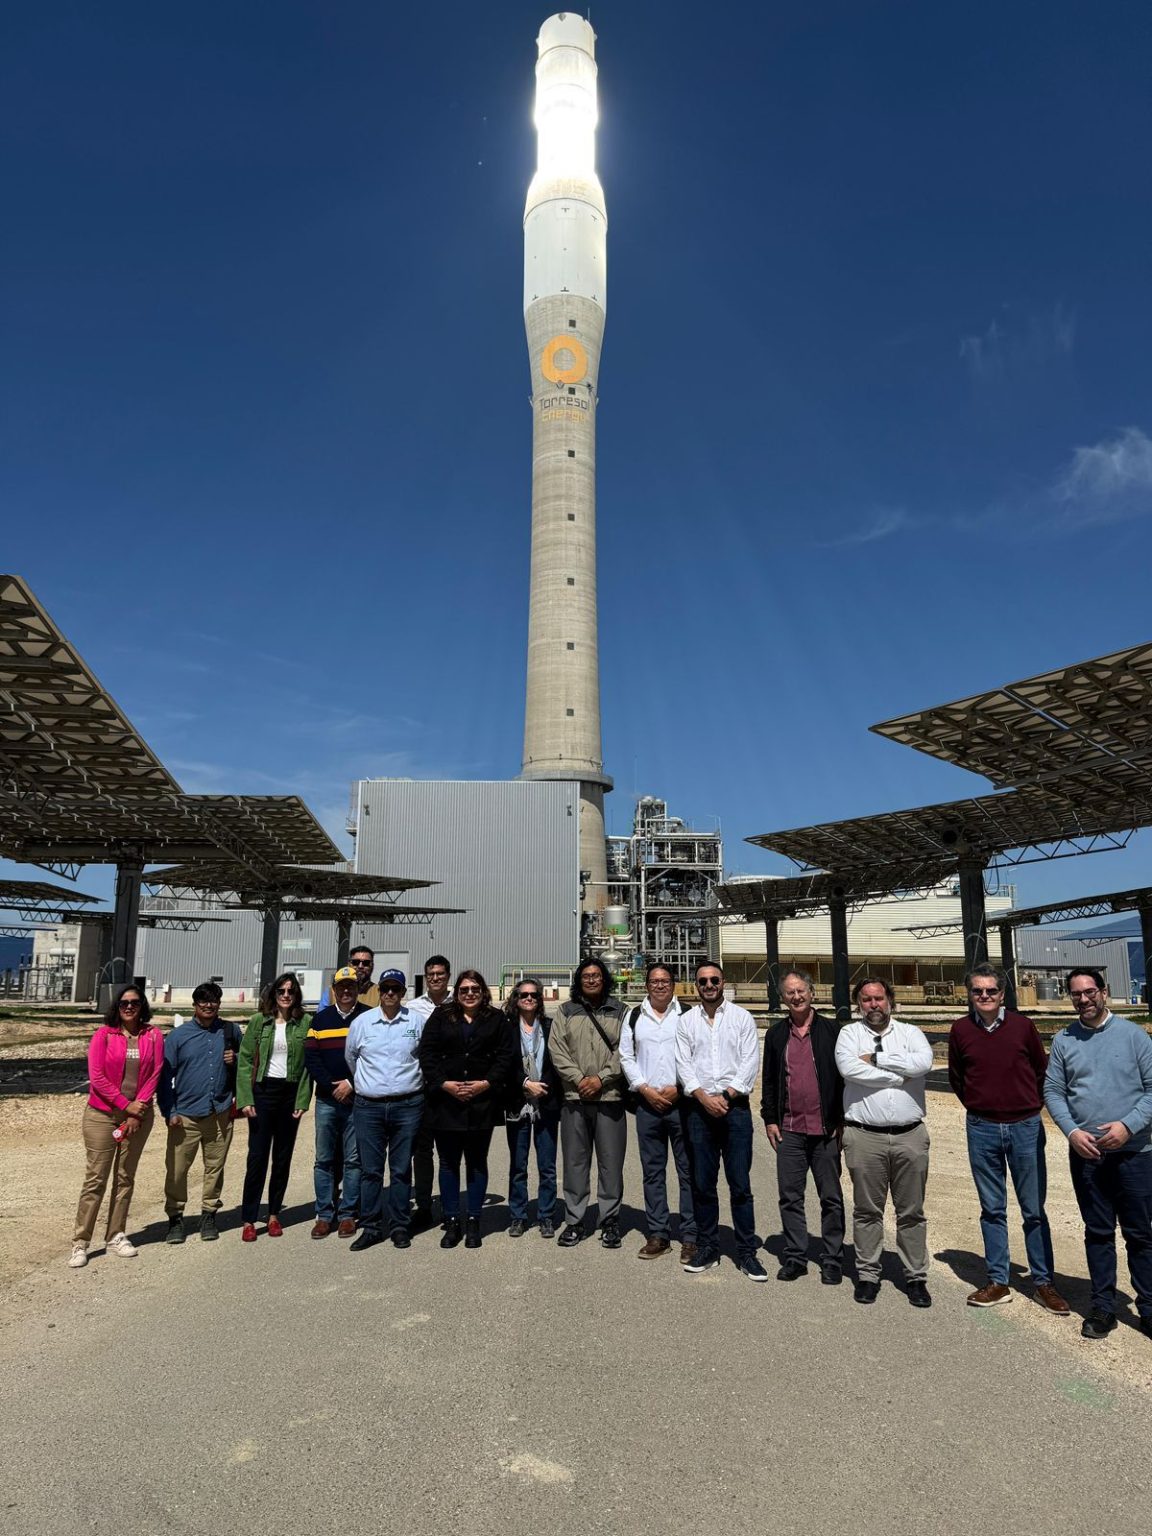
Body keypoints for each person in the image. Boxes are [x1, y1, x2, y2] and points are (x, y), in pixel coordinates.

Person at [948, 963, 1068, 1314]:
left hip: (1025, 1126)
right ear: (969, 994)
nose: (984, 996)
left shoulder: (1022, 1027)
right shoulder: (960, 1030)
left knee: (1033, 1209)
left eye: (991, 990)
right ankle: (998, 1281)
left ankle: (1043, 1283)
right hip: (982, 1127)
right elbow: (957, 1077)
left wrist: (1029, 1106)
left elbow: (1041, 1071)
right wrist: (980, 1104)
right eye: (977, 991)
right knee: (992, 1209)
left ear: (1002, 994)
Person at [1044, 969, 1152, 1340]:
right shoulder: (1064, 1040)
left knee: (1140, 1234)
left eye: (1090, 991)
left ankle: (1148, 1307)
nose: (1084, 999)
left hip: (1135, 1153)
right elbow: (1053, 1091)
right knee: (1098, 1232)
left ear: (1104, 992)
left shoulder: (1134, 1036)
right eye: (1076, 994)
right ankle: (1103, 1307)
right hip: (1088, 1155)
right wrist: (1072, 1132)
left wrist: (1128, 1126)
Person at [835, 977, 934, 1307]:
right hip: (865, 1136)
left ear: (890, 1000)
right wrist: (898, 1075)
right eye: (866, 999)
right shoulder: (849, 1035)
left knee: (912, 1212)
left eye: (879, 998)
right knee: (867, 1211)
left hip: (910, 1135)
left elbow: (923, 1064)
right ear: (858, 1004)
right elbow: (849, 1069)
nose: (873, 1004)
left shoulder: (911, 1033)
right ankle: (867, 1275)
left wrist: (876, 1059)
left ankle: (915, 1277)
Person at [676, 961, 765, 1279]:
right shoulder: (687, 1022)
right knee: (703, 1185)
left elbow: (750, 1062)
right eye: (703, 981)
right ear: (696, 986)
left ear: (723, 982)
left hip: (735, 1110)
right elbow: (683, 1064)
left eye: (714, 980)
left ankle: (747, 1253)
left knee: (740, 1185)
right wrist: (703, 1098)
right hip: (699, 1111)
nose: (709, 985)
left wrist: (726, 1096)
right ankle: (708, 1247)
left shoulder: (742, 1018)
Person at [418, 970, 516, 1249]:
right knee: (448, 1163)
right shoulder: (441, 1016)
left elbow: (505, 1056)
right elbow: (427, 1053)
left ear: (483, 991)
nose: (469, 994)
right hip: (445, 1102)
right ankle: (451, 1221)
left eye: (474, 989)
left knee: (476, 1162)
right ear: (457, 993)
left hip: (482, 1103)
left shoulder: (496, 1019)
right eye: (464, 989)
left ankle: (474, 1220)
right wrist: (444, 1084)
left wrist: (486, 1083)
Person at [759, 969, 845, 1285]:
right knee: (790, 1197)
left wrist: (841, 1119)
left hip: (825, 1131)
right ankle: (795, 1256)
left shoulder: (833, 1031)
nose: (796, 997)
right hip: (790, 1130)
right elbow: (770, 1081)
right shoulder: (776, 1035)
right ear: (783, 998)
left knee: (831, 1197)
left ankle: (832, 1258)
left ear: (812, 993)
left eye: (801, 991)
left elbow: (843, 1079)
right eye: (790, 992)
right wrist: (770, 1118)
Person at [69, 984, 164, 1267]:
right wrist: (125, 1104)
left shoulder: (153, 1035)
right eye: (124, 1003)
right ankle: (80, 1241)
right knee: (96, 1178)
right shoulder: (104, 1035)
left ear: (142, 1005)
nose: (129, 1007)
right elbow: (97, 1076)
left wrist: (137, 1111)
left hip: (138, 1115)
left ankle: (116, 1234)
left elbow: (155, 1072)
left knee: (125, 1176)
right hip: (102, 1116)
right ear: (117, 1006)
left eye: (134, 1002)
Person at [548, 958, 628, 1249]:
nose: (592, 980)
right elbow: (557, 1050)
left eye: (596, 975)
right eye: (586, 976)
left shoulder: (621, 1011)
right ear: (579, 981)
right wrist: (580, 1079)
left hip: (610, 1098)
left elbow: (626, 1051)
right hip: (575, 1098)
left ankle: (609, 1220)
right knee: (575, 1162)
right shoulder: (566, 1011)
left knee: (611, 1163)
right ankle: (575, 1220)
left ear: (604, 979)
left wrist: (601, 1079)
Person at [620, 963, 697, 1264]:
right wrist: (644, 1089)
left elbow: (698, 1054)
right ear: (647, 985)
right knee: (653, 1172)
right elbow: (626, 1056)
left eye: (665, 980)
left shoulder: (688, 1014)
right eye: (654, 981)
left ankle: (690, 1236)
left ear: (673, 984)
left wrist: (680, 1087)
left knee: (687, 1171)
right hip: (648, 1105)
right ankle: (658, 1234)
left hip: (682, 1104)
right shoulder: (634, 1016)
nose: (660, 985)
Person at [345, 969, 425, 1252]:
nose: (390, 993)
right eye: (386, 988)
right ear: (379, 992)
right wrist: (369, 1084)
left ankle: (400, 1225)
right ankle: (371, 1227)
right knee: (371, 1171)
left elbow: (423, 1057)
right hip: (369, 1107)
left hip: (408, 1105)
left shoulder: (416, 1021)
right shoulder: (362, 1023)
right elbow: (351, 1058)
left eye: (396, 989)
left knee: (401, 1169)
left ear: (403, 993)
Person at [158, 980, 243, 1244]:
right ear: (194, 1005)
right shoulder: (178, 1037)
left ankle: (209, 1214)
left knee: (214, 1168)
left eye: (213, 1000)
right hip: (185, 1115)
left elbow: (250, 1064)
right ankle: (175, 1217)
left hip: (219, 1112)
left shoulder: (230, 1031)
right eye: (203, 1001)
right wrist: (169, 1111)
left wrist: (236, 1059)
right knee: (177, 1170)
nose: (209, 1005)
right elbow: (164, 1077)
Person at [235, 973, 313, 1241]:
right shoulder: (260, 1021)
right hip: (263, 1092)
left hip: (289, 1094)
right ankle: (249, 1218)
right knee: (257, 1157)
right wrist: (245, 1098)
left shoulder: (305, 1023)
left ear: (296, 995)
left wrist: (302, 1100)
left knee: (282, 1157)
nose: (286, 995)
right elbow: (245, 1061)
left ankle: (273, 1215)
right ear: (274, 994)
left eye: (291, 991)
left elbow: (308, 1067)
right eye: (281, 990)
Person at [304, 964, 367, 1239]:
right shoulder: (320, 1020)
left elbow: (373, 1057)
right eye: (341, 986)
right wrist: (332, 1086)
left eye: (351, 986)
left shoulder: (368, 1016)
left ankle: (347, 1214)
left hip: (356, 1099)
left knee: (353, 1160)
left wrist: (350, 1084)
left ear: (357, 988)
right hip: (327, 1100)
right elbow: (312, 1058)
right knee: (324, 1159)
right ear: (334, 989)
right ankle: (324, 1214)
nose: (346, 991)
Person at [503, 977, 561, 1238]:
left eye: (534, 995)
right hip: (518, 1103)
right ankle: (518, 1215)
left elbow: (557, 1062)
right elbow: (504, 1063)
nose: (528, 999)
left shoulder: (550, 1026)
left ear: (540, 999)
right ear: (516, 999)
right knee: (518, 1165)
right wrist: (525, 1083)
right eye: (523, 995)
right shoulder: (507, 1028)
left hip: (545, 1103)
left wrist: (542, 1086)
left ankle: (546, 1215)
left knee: (547, 1166)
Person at [406, 955, 452, 1231]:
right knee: (421, 1152)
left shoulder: (459, 1003)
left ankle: (449, 1207)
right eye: (431, 974)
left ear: (448, 976)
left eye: (440, 974)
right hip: (421, 1089)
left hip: (449, 1090)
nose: (435, 978)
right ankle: (424, 1207)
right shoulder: (413, 1008)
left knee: (448, 1152)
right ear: (425, 977)